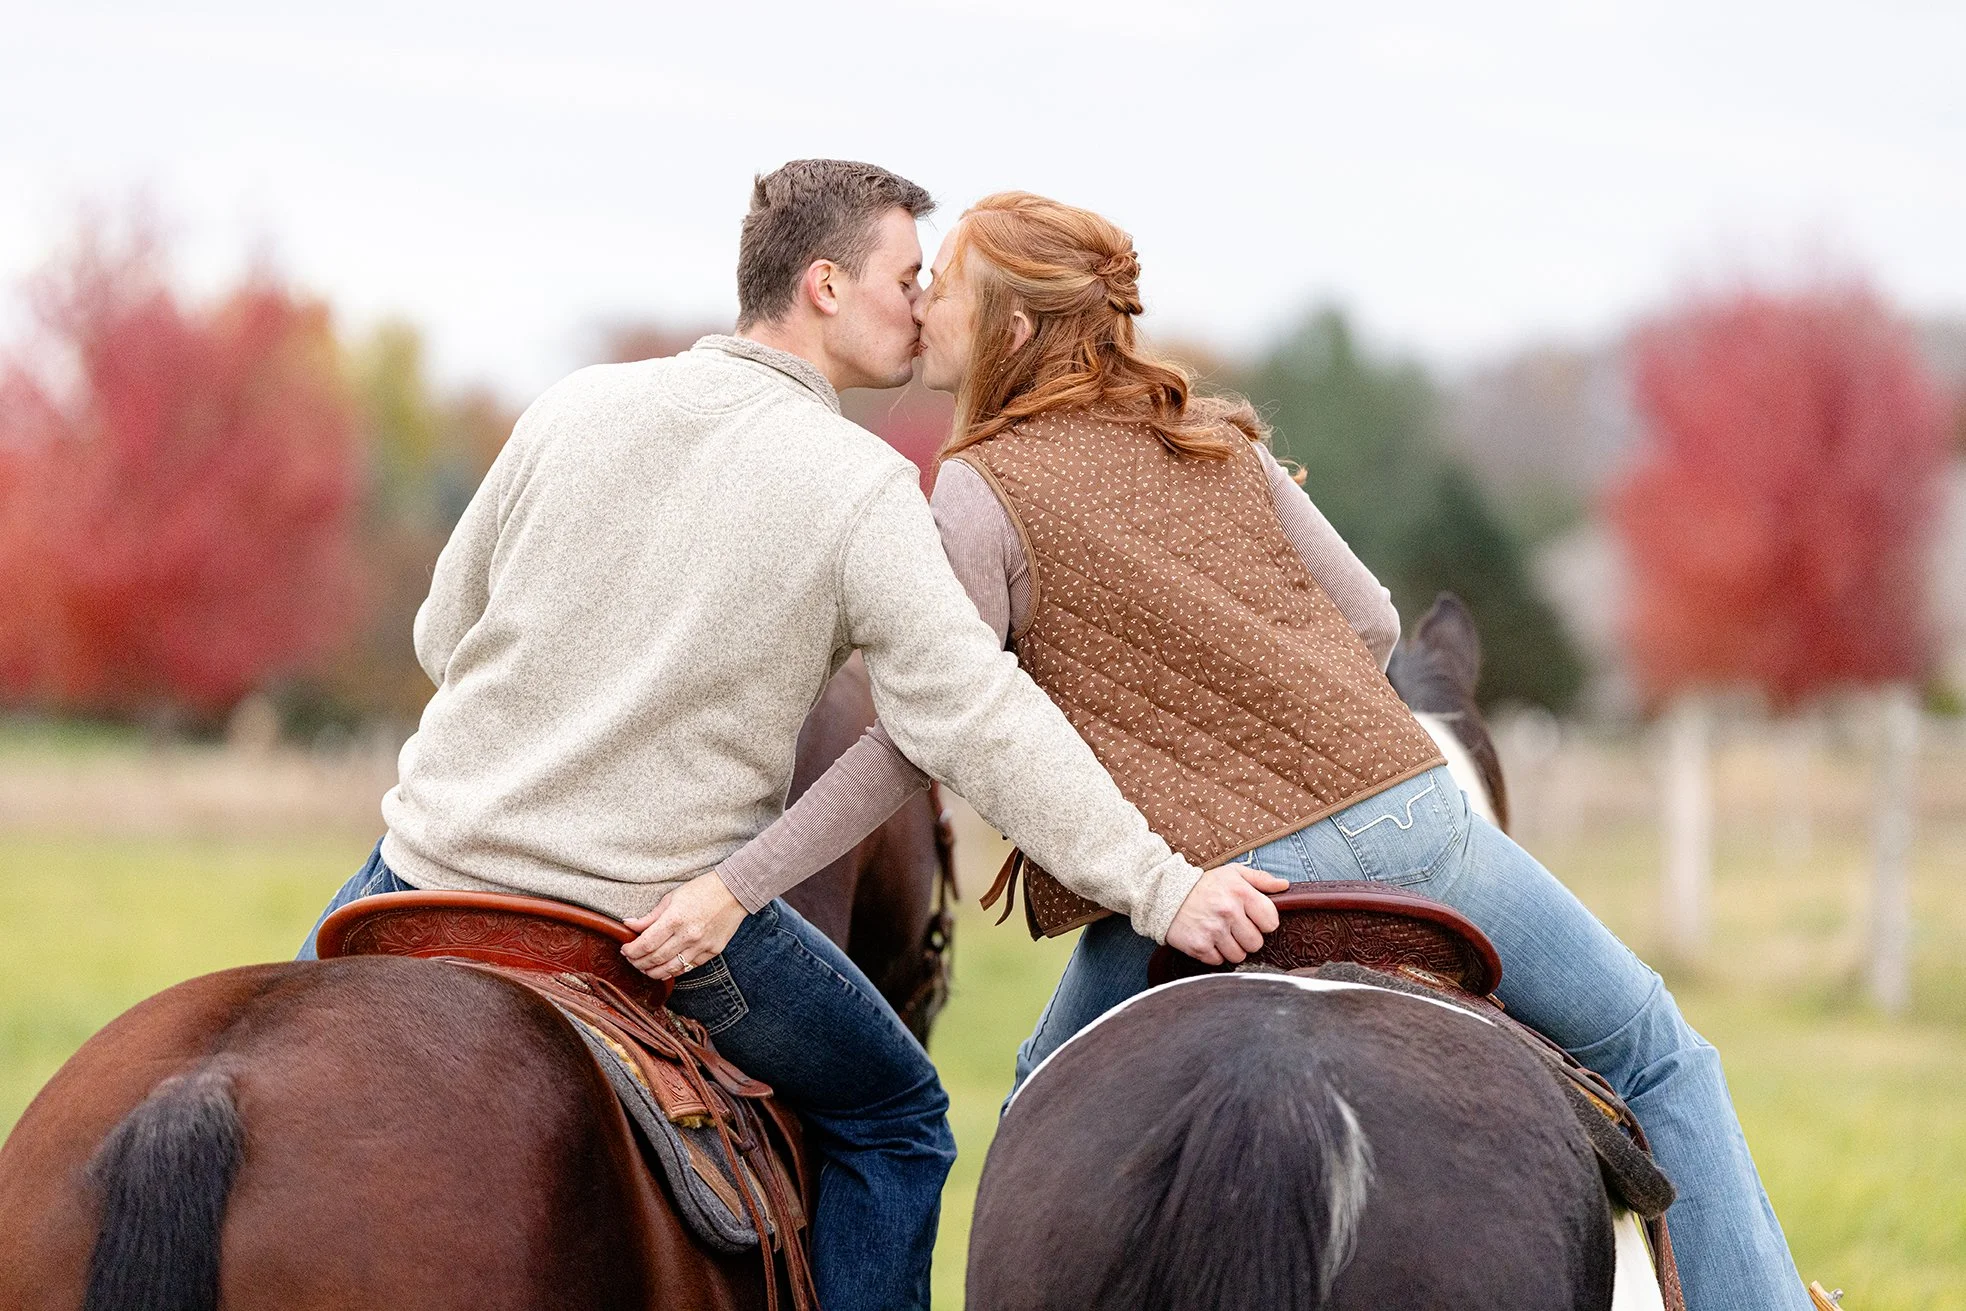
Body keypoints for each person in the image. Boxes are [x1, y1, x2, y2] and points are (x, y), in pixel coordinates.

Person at [672, 191, 1811, 1311]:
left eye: (949, 291)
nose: (923, 313)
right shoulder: (1213, 437)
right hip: (1405, 830)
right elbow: (1367, 622)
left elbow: (918, 736)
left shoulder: (977, 489)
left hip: (1194, 887)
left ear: (1013, 330)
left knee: (1035, 1109)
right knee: (1661, 1058)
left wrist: (742, 883)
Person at [294, 162, 1280, 1311]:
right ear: (822, 285)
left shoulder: (572, 404)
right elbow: (978, 718)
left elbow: (438, 635)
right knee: (899, 1121)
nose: (922, 306)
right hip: (647, 924)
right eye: (906, 276)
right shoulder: (861, 488)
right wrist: (1163, 891)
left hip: (416, 876)